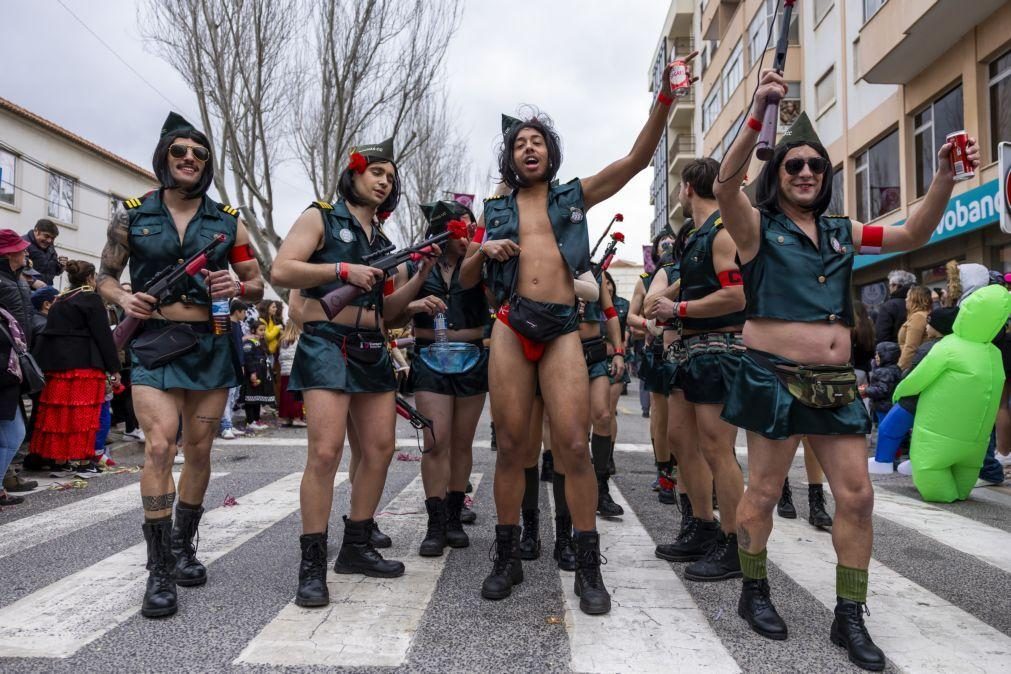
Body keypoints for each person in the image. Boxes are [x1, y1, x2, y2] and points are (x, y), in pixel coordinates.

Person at [714, 62, 979, 668]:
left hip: (835, 385)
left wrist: (940, 175)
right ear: (777, 175)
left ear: (824, 176)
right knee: (762, 488)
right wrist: (760, 108)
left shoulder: (843, 231)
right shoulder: (756, 228)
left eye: (814, 165)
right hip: (771, 377)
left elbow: (913, 231)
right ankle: (754, 592)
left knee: (857, 499)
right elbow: (728, 183)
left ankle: (848, 615)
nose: (805, 172)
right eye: (792, 164)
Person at [461, 55, 689, 615]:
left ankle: (588, 565)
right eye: (520, 144)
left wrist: (665, 99)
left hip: (563, 328)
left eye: (538, 141)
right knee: (512, 448)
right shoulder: (493, 209)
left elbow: (637, 160)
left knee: (573, 447)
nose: (529, 148)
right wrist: (480, 249)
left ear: (551, 152)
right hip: (513, 327)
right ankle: (507, 556)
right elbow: (464, 280)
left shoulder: (573, 198)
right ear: (510, 158)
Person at [97, 112, 264, 619]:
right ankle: (159, 569)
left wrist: (237, 288)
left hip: (210, 344)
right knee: (159, 445)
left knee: (199, 450)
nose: (189, 157)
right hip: (152, 344)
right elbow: (105, 274)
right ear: (164, 157)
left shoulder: (228, 220)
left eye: (199, 152)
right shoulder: (131, 215)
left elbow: (257, 282)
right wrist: (123, 299)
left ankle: (184, 544)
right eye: (179, 151)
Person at [272, 136, 425, 607]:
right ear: (354, 172)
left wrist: (420, 276)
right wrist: (341, 269)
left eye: (391, 178)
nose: (384, 181)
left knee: (380, 450)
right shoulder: (320, 216)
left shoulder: (383, 240)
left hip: (371, 346)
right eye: (378, 172)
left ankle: (356, 546)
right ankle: (312, 564)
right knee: (324, 454)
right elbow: (282, 270)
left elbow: (392, 314)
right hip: (327, 344)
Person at [646, 158, 747, 584]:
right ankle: (703, 525)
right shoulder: (695, 238)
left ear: (688, 188)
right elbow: (691, 283)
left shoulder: (723, 233)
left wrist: (676, 307)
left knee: (716, 448)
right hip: (690, 352)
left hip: (718, 350)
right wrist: (667, 293)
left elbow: (738, 295)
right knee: (680, 439)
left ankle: (735, 542)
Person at [392, 200, 489, 558]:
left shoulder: (478, 264)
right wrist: (416, 304)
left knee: (462, 443)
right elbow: (392, 314)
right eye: (462, 225)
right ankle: (434, 524)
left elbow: (498, 299)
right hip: (429, 358)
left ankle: (453, 518)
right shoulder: (413, 265)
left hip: (473, 357)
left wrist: (485, 255)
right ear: (444, 231)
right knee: (436, 440)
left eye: (470, 226)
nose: (469, 232)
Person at [28, 260, 121, 471]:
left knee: (59, 416)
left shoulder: (59, 300)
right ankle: (83, 462)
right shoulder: (91, 299)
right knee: (83, 416)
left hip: (58, 367)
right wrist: (113, 368)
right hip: (85, 366)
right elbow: (103, 336)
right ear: (90, 277)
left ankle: (59, 461)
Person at [0, 307, 30, 506]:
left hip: (8, 381)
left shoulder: (3, 313)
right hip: (3, 380)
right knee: (7, 438)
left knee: (15, 435)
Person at [220, 300, 248, 440]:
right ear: (238, 311)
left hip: (235, 364)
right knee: (228, 395)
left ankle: (229, 423)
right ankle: (225, 426)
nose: (245, 315)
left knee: (233, 396)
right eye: (244, 312)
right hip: (230, 364)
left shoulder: (237, 325)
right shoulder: (229, 325)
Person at [242, 320, 274, 431]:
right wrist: (252, 373)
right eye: (261, 330)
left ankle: (256, 419)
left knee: (257, 397)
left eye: (264, 330)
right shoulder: (249, 342)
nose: (263, 332)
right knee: (251, 398)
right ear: (253, 330)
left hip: (262, 372)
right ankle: (250, 421)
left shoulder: (260, 342)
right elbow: (248, 358)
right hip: (254, 372)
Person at [862, 342, 902, 425]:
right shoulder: (894, 368)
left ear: (886, 356)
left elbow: (882, 390)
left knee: (882, 426)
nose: (876, 357)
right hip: (887, 406)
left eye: (878, 354)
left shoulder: (884, 371)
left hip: (883, 407)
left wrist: (866, 390)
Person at [874, 270, 916, 344]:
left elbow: (882, 336)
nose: (889, 288)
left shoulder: (889, 306)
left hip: (895, 351)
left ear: (895, 285)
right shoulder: (919, 301)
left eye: (890, 285)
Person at [277, 319, 305, 427]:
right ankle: (297, 418)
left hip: (284, 370)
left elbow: (280, 356)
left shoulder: (283, 339)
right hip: (295, 369)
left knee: (285, 395)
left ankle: (285, 418)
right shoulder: (299, 338)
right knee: (296, 395)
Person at [22, 218, 66, 287]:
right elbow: (16, 269)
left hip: (44, 290)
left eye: (53, 238)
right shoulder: (23, 243)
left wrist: (61, 266)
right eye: (46, 236)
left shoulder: (50, 247)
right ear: (36, 231)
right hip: (26, 290)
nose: (49, 240)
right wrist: (33, 282)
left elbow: (54, 271)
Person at [897, 286, 932, 371]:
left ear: (915, 299)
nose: (905, 300)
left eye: (908, 297)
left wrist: (899, 368)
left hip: (913, 366)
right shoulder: (924, 315)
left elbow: (911, 347)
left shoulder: (918, 317)